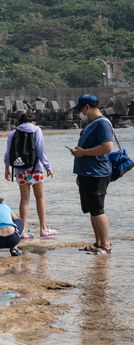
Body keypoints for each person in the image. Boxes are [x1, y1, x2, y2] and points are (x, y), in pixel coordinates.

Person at [70, 94, 115, 255]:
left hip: (97, 173)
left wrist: (83, 153)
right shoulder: (92, 124)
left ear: (87, 107)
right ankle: (98, 243)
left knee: (98, 209)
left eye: (81, 109)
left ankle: (106, 245)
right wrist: (80, 172)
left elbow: (107, 147)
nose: (80, 113)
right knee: (91, 209)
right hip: (87, 173)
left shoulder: (102, 123)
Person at [3, 113, 55, 238]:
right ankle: (43, 229)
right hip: (35, 169)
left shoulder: (13, 133)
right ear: (33, 122)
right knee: (40, 198)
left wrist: (7, 169)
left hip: (19, 170)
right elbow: (40, 150)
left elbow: (8, 153)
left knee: (24, 199)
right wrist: (48, 166)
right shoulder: (37, 130)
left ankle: (24, 230)